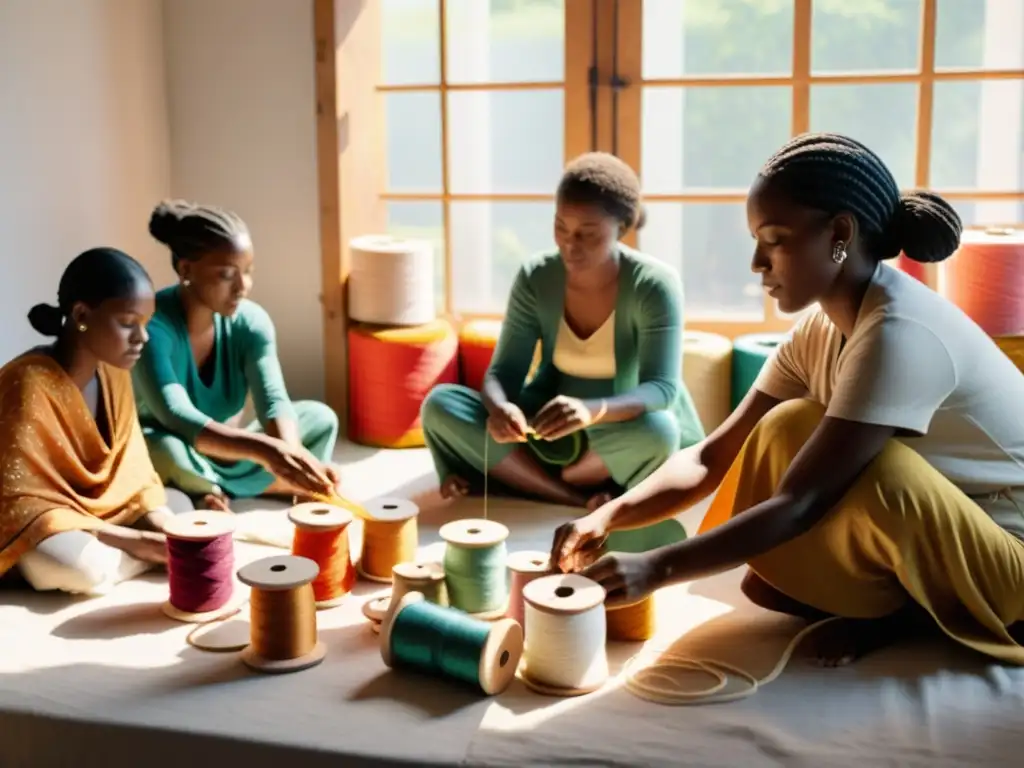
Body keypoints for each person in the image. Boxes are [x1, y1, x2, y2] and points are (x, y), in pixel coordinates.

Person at [550, 132, 1024, 667]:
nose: (757, 262)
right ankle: (897, 607)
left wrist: (656, 568)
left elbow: (802, 501)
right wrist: (607, 517)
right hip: (954, 525)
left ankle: (907, 615)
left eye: (773, 239)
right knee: (785, 429)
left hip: (1011, 560)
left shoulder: (898, 333)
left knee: (877, 471)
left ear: (839, 234)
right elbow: (712, 455)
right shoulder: (821, 329)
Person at [421, 152, 705, 553]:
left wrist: (593, 410)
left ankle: (533, 481)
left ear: (622, 228)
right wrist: (501, 407)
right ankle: (572, 497)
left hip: (619, 428)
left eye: (588, 233)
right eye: (560, 227)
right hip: (546, 428)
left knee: (660, 432)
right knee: (441, 404)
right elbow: (503, 374)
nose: (571, 245)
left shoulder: (654, 284)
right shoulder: (537, 276)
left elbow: (661, 390)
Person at [133, 200, 341, 511]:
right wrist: (269, 452)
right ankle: (244, 485)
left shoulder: (250, 321)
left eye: (248, 272)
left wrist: (293, 453)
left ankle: (216, 491)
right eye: (227, 274)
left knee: (320, 418)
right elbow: (177, 417)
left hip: (229, 446)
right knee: (164, 449)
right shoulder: (154, 328)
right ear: (186, 269)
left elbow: (273, 401)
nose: (243, 286)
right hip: (177, 447)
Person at [0, 248, 180, 595]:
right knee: (78, 568)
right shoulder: (28, 384)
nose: (142, 338)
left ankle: (129, 558)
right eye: (129, 323)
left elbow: (133, 474)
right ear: (82, 314)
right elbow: (21, 506)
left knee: (177, 511)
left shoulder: (114, 373)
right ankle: (128, 561)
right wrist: (137, 540)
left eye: (145, 324)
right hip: (37, 524)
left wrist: (161, 528)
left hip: (95, 515)